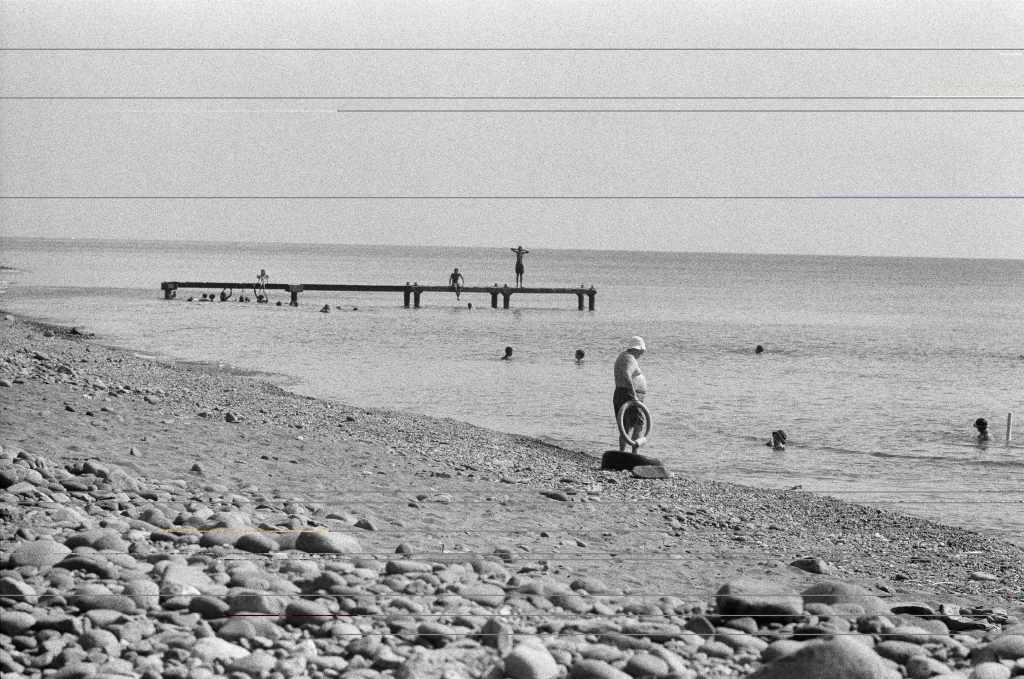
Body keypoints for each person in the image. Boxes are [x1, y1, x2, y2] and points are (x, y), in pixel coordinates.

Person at [613, 336, 647, 453]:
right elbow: (626, 375)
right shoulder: (629, 358)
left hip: (620, 393)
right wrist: (634, 395)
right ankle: (634, 453)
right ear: (637, 349)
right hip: (628, 395)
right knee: (638, 423)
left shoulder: (623, 356)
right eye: (641, 351)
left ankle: (622, 452)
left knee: (625, 425)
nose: (642, 354)